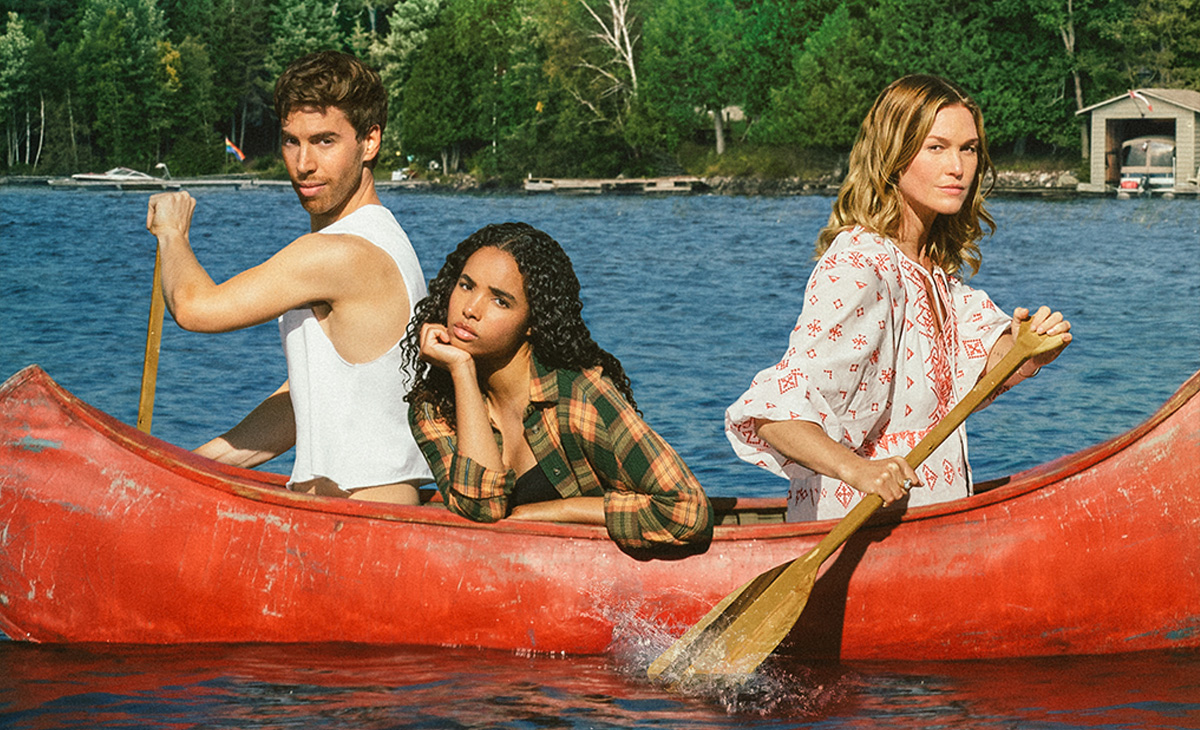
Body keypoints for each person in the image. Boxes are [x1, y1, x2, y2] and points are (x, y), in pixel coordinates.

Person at [725, 74, 1073, 522]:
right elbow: (776, 414)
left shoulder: (932, 271)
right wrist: (859, 470)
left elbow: (985, 359)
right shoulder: (860, 265)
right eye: (936, 147)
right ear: (893, 156)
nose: (958, 167)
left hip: (933, 519)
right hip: (861, 527)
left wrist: (1030, 346)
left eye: (968, 149)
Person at [145, 50, 432, 504]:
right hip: (338, 511)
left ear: (370, 141)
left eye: (324, 141)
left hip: (369, 517)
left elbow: (194, 308)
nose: (303, 164)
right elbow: (310, 402)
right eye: (291, 141)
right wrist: (190, 467)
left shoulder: (338, 253)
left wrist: (171, 233)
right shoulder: (379, 235)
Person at [403, 222, 713, 552]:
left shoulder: (578, 397)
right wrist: (462, 370)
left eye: (500, 301)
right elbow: (480, 508)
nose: (470, 309)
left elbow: (687, 511)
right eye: (466, 286)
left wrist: (557, 511)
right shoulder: (435, 407)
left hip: (599, 582)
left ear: (533, 322)